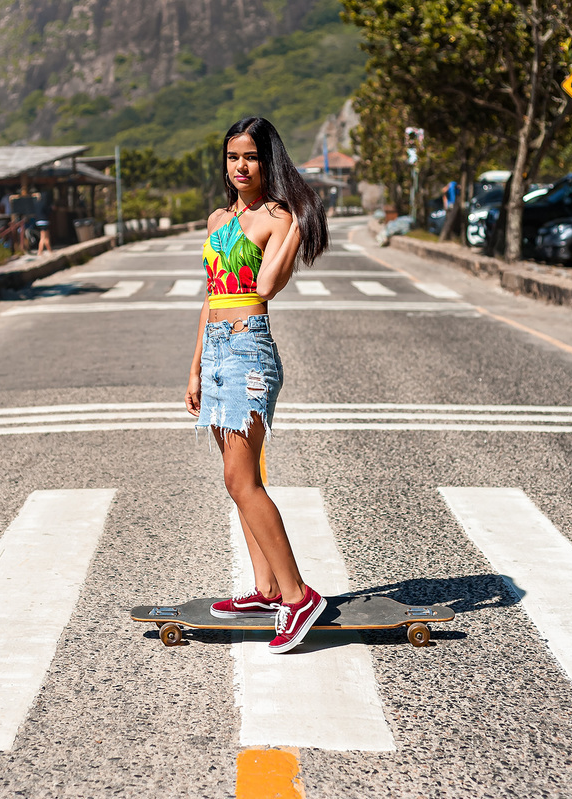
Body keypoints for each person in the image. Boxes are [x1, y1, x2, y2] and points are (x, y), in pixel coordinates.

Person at [185, 117, 329, 654]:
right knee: (233, 479)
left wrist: (299, 217)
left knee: (244, 480)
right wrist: (195, 367)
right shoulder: (217, 217)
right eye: (231, 157)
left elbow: (265, 285)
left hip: (249, 351)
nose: (239, 167)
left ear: (268, 162)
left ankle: (297, 596)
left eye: (249, 157)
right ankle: (266, 588)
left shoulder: (279, 217)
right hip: (219, 349)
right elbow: (210, 294)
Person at [33, 190, 52, 256]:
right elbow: (48, 212)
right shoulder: (44, 203)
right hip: (44, 221)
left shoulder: (35, 204)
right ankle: (41, 251)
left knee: (44, 236)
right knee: (44, 237)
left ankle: (48, 250)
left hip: (38, 221)